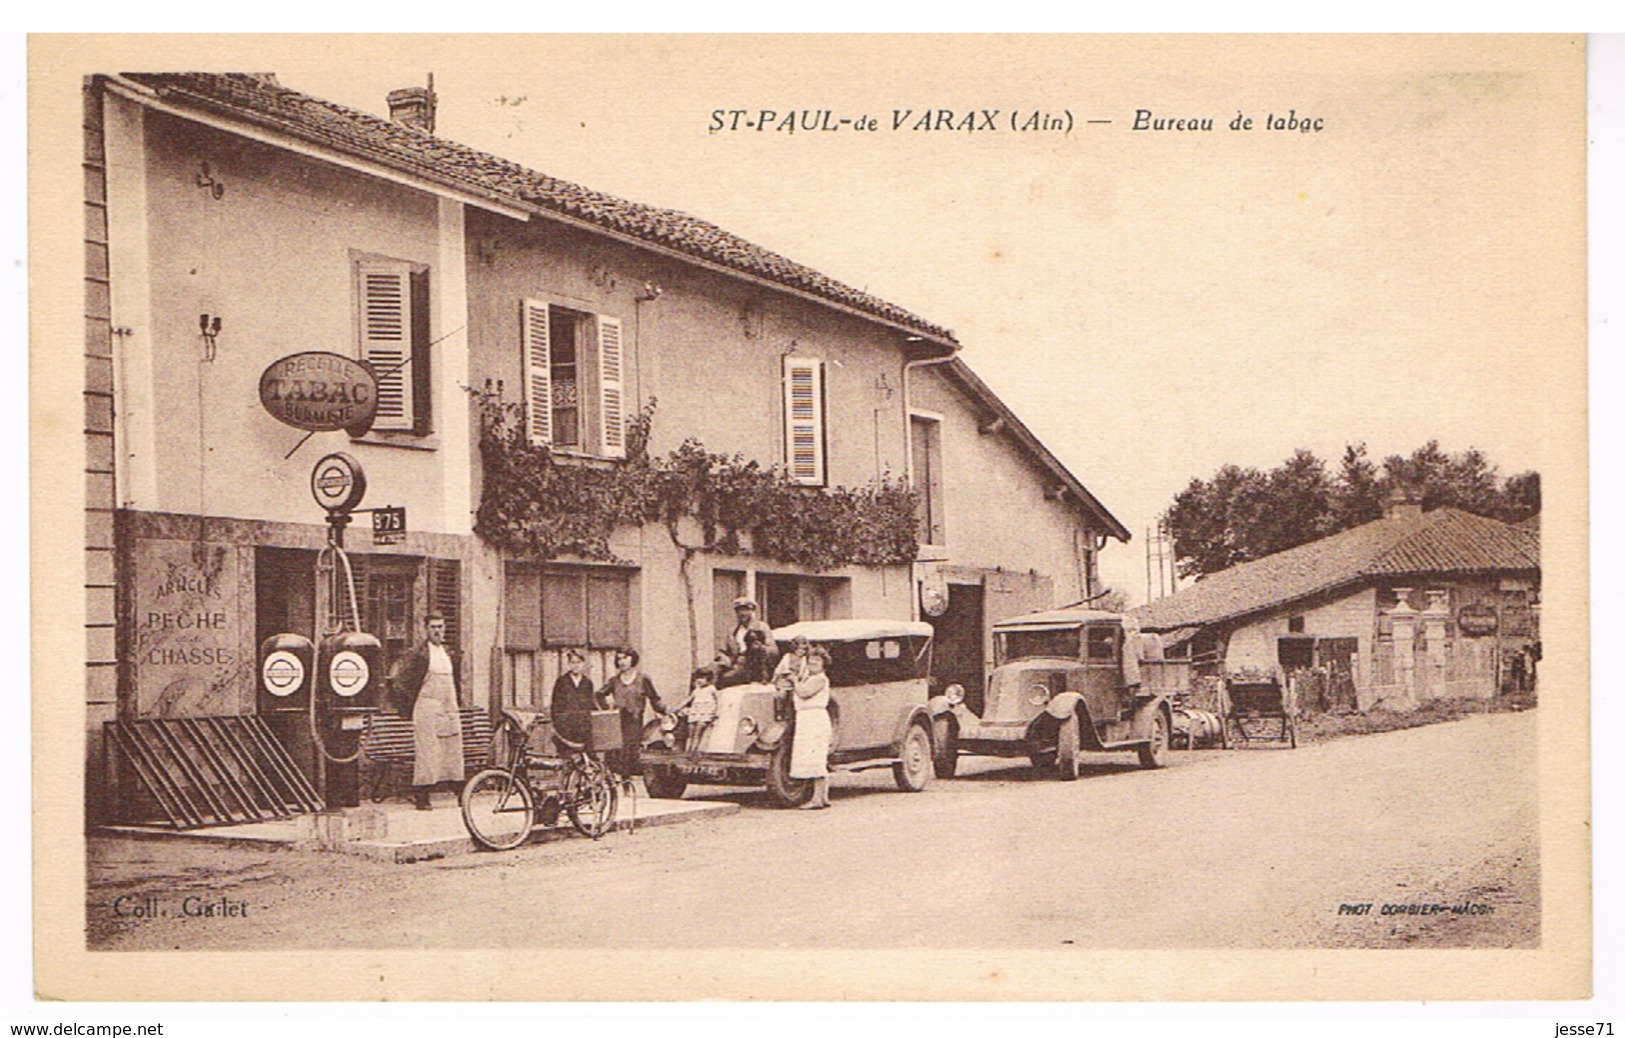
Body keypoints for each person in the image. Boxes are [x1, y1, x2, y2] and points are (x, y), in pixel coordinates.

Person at [393, 613, 465, 811]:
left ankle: (460, 792)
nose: (437, 631)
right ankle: (422, 796)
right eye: (433, 627)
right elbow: (402, 684)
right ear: (425, 629)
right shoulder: (418, 654)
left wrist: (455, 703)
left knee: (452, 749)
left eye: (440, 627)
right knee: (427, 752)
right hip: (426, 707)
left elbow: (456, 683)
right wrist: (408, 708)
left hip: (448, 706)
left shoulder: (449, 653)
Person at [604, 647, 670, 778]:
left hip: (635, 720)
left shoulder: (643, 679)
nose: (622, 662)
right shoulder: (614, 681)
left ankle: (627, 780)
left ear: (632, 659)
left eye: (625, 658)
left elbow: (654, 699)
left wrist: (666, 711)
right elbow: (599, 695)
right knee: (617, 751)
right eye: (619, 659)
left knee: (631, 750)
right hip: (618, 721)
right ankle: (621, 781)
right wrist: (608, 707)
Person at [789, 646, 833, 809]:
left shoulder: (819, 679)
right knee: (814, 757)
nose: (813, 663)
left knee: (815, 758)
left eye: (817, 661)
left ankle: (817, 799)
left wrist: (794, 681)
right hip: (807, 718)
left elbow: (804, 692)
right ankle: (823, 796)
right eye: (810, 661)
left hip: (814, 719)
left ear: (823, 663)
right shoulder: (810, 677)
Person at [550, 649, 603, 747]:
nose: (576, 665)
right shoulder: (562, 682)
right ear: (569, 664)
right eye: (573, 662)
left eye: (578, 662)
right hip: (566, 727)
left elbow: (590, 704)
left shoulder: (587, 683)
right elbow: (555, 705)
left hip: (583, 727)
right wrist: (558, 724)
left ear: (583, 663)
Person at [724, 596, 779, 672]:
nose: (742, 613)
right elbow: (727, 651)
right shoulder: (733, 630)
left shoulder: (761, 627)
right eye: (739, 610)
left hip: (753, 666)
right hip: (735, 663)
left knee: (725, 679)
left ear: (752, 611)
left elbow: (774, 651)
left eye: (745, 610)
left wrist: (760, 648)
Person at [682, 668, 719, 752]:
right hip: (695, 713)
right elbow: (688, 700)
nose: (699, 680)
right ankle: (688, 751)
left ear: (709, 679)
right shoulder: (696, 690)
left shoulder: (711, 689)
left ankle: (694, 751)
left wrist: (716, 712)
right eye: (698, 678)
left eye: (702, 678)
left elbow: (718, 700)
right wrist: (676, 709)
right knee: (690, 734)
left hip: (704, 714)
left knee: (698, 734)